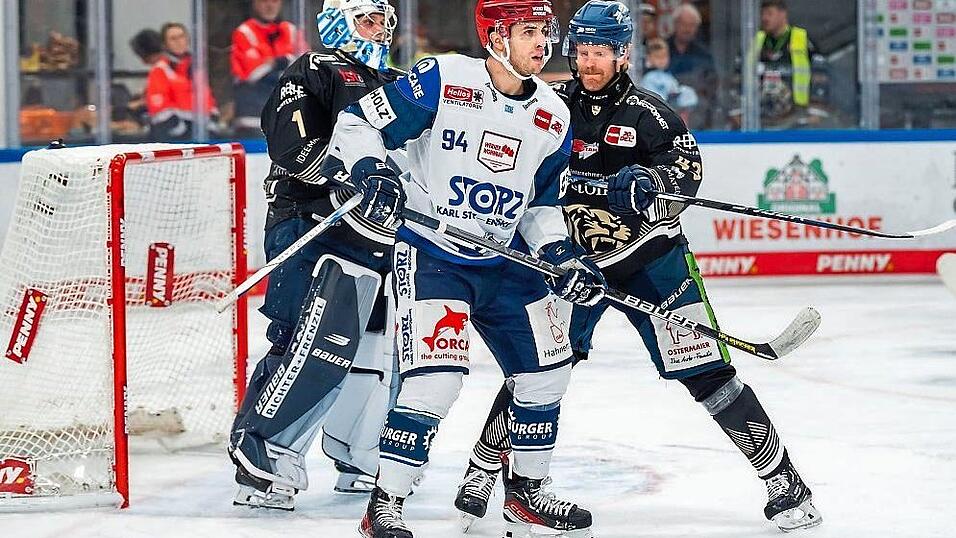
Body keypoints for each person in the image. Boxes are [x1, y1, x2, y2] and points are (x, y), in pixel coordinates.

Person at [453, 1, 823, 534]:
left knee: (709, 375)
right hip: (575, 266)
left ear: (622, 53)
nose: (588, 62)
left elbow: (686, 171)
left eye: (599, 52)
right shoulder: (551, 107)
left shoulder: (650, 113)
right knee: (536, 371)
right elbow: (524, 173)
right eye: (581, 51)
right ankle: (484, 470)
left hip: (652, 259)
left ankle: (784, 484)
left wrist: (658, 187)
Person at [327, 1, 607, 536]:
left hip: (504, 261)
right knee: (437, 382)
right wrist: (370, 171)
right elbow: (357, 122)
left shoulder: (553, 113)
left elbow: (542, 204)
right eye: (529, 32)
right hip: (434, 255)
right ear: (496, 36)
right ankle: (385, 502)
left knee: (548, 373)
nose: (542, 44)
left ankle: (526, 494)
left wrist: (560, 254)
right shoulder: (442, 78)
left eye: (545, 32)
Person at [227, 0, 404, 510]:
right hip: (310, 223)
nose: (378, 31)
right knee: (306, 337)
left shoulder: (397, 84)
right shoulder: (314, 69)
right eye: (366, 20)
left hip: (376, 232)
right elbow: (291, 146)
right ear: (337, 21)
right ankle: (262, 457)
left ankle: (362, 455)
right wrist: (349, 177)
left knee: (375, 346)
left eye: (383, 22)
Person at [230, 0, 304, 137]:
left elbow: (305, 68)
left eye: (274, 1)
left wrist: (273, 64)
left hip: (288, 115)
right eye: (264, 1)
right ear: (254, 3)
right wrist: (286, 63)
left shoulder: (290, 30)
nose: (270, 5)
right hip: (253, 117)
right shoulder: (244, 32)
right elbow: (254, 75)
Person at [144, 23, 220, 140]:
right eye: (173, 39)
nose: (179, 42)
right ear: (165, 44)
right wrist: (181, 127)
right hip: (173, 136)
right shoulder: (160, 70)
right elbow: (159, 110)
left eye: (181, 36)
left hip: (199, 133)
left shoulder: (196, 68)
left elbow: (208, 101)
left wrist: (212, 121)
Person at [753, 0, 821, 122]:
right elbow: (739, 75)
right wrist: (738, 110)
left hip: (796, 113)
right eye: (762, 14)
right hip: (760, 115)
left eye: (769, 13)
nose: (764, 18)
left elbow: (820, 75)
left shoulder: (801, 38)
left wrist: (815, 109)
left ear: (782, 14)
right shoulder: (756, 40)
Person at [665, 3, 716, 128]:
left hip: (696, 113)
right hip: (665, 108)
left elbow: (712, 84)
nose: (688, 29)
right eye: (684, 24)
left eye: (692, 25)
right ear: (675, 24)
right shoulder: (663, 49)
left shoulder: (703, 53)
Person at [642, 38, 698, 117]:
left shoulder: (668, 76)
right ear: (649, 58)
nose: (662, 60)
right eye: (657, 57)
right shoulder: (648, 78)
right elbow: (654, 102)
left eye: (664, 56)